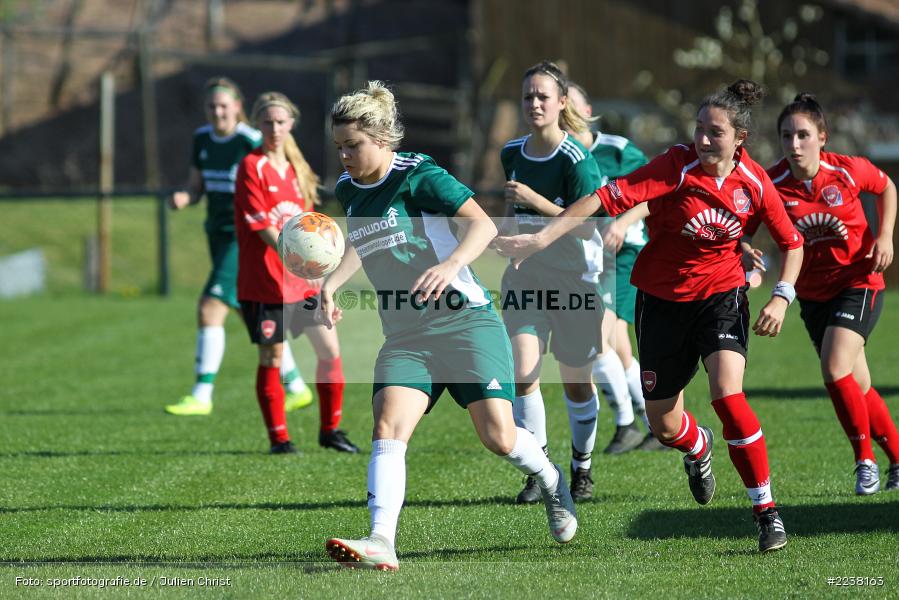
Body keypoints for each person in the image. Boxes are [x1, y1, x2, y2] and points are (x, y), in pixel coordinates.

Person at [494, 80, 804, 553]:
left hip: (721, 298)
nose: (702, 139)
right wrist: (541, 238)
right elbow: (601, 199)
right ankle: (698, 448)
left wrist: (781, 295)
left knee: (728, 395)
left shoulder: (755, 182)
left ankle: (767, 513)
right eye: (699, 129)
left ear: (739, 138)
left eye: (714, 132)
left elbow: (792, 242)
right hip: (660, 301)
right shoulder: (674, 166)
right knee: (663, 424)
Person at [322, 81, 578, 571]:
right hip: (405, 334)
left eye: (352, 145)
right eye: (339, 147)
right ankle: (381, 539)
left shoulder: (419, 174)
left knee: (499, 437)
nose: (344, 157)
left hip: (465, 321)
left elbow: (482, 225)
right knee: (387, 426)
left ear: (381, 139)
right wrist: (333, 283)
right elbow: (362, 240)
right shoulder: (349, 190)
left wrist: (450, 265)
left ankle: (549, 478)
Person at [744, 93, 898, 494]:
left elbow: (887, 188)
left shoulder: (845, 171)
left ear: (822, 137)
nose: (794, 145)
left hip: (858, 282)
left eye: (802, 135)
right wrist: (748, 258)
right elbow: (745, 229)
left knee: (833, 368)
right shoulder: (772, 183)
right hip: (812, 295)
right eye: (786, 136)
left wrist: (884, 236)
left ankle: (864, 461)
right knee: (856, 384)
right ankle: (898, 459)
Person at [164, 77, 313, 417]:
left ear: (237, 108)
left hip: (244, 237)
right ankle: (296, 385)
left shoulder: (249, 141)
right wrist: (185, 198)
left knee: (210, 306)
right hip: (216, 233)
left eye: (224, 105)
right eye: (211, 106)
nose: (217, 111)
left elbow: (273, 175)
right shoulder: (201, 139)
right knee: (250, 314)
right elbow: (196, 185)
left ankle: (202, 394)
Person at [498, 61, 605, 505]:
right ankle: (541, 470)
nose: (535, 103)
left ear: (562, 102)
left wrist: (536, 201)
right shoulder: (512, 152)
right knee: (524, 375)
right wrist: (504, 240)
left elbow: (586, 227)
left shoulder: (577, 160)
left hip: (573, 282)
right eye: (528, 96)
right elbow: (511, 217)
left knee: (576, 383)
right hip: (524, 279)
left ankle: (582, 468)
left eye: (543, 96)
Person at [233, 91, 358, 454]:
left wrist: (319, 271)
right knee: (271, 357)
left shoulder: (295, 169)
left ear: (291, 124)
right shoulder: (250, 167)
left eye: (281, 121)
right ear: (257, 124)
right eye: (267, 122)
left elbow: (309, 230)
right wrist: (299, 262)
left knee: (330, 351)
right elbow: (264, 229)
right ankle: (279, 439)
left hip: (302, 285)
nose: (274, 128)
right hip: (265, 284)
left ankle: (330, 431)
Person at [566, 82, 662, 454]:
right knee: (618, 344)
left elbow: (654, 194)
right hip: (588, 258)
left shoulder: (618, 151)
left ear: (588, 111)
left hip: (624, 254)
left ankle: (627, 425)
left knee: (598, 337)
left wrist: (621, 223)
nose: (566, 117)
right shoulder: (563, 157)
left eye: (571, 108)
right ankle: (649, 421)